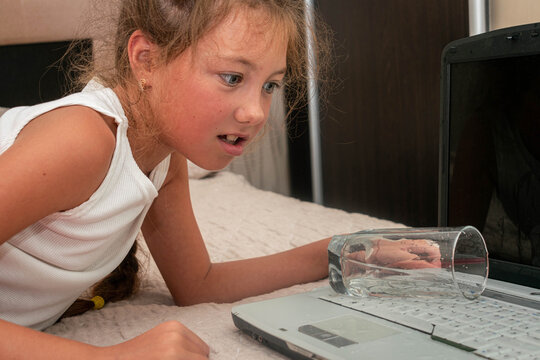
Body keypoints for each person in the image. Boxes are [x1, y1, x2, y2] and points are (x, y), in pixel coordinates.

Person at [0, 0, 438, 358]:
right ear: (146, 60)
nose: (256, 113)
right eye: (232, 77)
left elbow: (199, 285)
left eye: (270, 85)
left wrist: (344, 249)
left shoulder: (161, 159)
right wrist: (111, 357)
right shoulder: (83, 139)